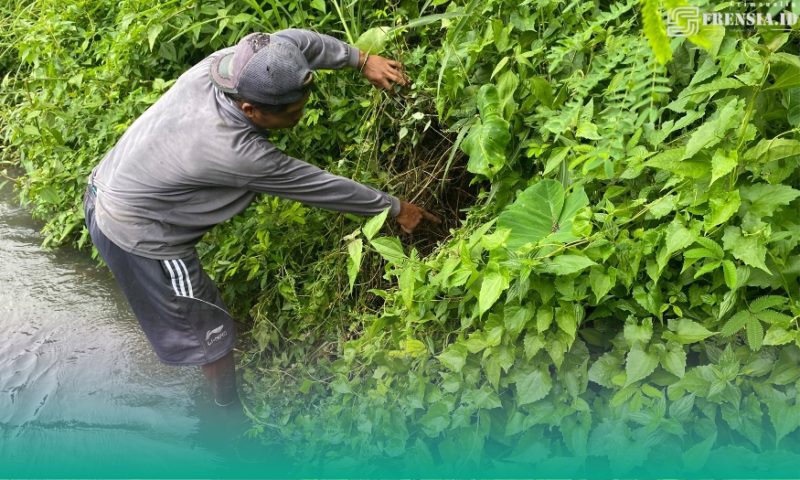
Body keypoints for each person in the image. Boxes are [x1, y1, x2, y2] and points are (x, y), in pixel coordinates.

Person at [83, 29, 439, 416]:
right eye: (292, 113)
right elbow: (317, 186)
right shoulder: (235, 151)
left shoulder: (236, 65)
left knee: (200, 314)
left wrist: (361, 60)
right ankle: (227, 416)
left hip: (111, 178)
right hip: (137, 228)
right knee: (208, 331)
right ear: (250, 109)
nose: (299, 115)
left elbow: (297, 41)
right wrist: (395, 208)